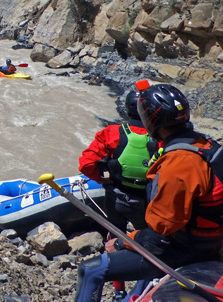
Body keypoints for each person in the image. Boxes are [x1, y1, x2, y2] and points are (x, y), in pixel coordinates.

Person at [74, 84, 223, 302]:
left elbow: (158, 235)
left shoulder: (179, 162)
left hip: (185, 248)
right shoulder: (209, 146)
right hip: (210, 240)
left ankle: (123, 293)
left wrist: (120, 243)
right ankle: (134, 295)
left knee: (90, 269)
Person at [78, 91, 157, 300]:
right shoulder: (160, 137)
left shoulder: (111, 132)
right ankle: (143, 289)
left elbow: (86, 164)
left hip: (116, 197)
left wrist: (101, 179)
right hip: (147, 202)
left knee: (114, 238)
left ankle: (118, 291)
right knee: (148, 242)